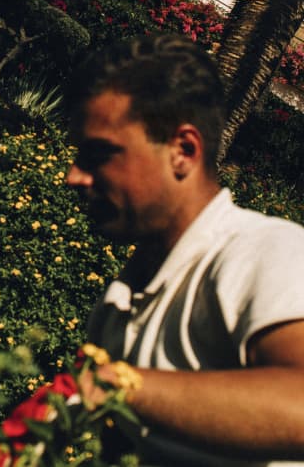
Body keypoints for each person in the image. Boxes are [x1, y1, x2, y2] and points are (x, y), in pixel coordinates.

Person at [65, 34, 304, 467]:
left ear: (183, 151)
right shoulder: (121, 299)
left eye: (98, 154)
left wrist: (117, 384)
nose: (74, 176)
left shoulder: (266, 253)